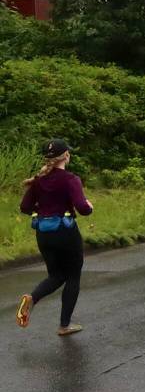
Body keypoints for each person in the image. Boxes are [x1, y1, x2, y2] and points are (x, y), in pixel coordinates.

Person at [16, 139, 93, 336]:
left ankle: (32, 299)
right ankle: (64, 325)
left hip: (43, 233)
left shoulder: (39, 179)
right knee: (73, 276)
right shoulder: (70, 179)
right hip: (66, 233)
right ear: (66, 155)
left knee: (56, 275)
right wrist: (89, 205)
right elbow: (83, 209)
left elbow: (24, 207)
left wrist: (42, 210)